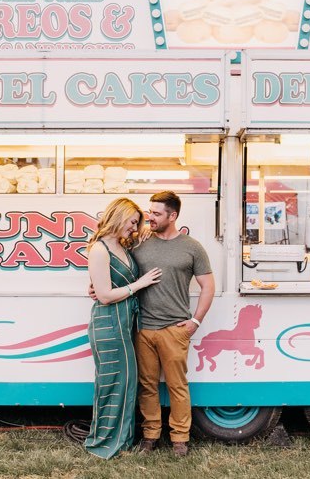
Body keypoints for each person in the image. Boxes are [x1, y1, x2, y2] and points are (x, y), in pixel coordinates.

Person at [134, 191, 214, 457]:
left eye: (156, 213)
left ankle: (180, 438)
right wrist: (95, 285)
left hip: (175, 329)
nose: (150, 217)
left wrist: (195, 321)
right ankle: (150, 435)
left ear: (173, 215)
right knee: (147, 385)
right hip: (144, 327)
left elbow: (208, 286)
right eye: (150, 212)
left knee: (177, 385)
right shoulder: (140, 242)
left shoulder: (192, 247)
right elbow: (118, 270)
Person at [83, 198, 162, 459]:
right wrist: (139, 284)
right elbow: (104, 296)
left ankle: (122, 439)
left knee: (126, 383)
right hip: (108, 325)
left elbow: (156, 228)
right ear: (119, 217)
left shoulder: (122, 245)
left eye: (137, 223)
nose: (135, 228)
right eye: (132, 222)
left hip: (124, 323)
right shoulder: (99, 249)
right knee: (111, 383)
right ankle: (106, 441)